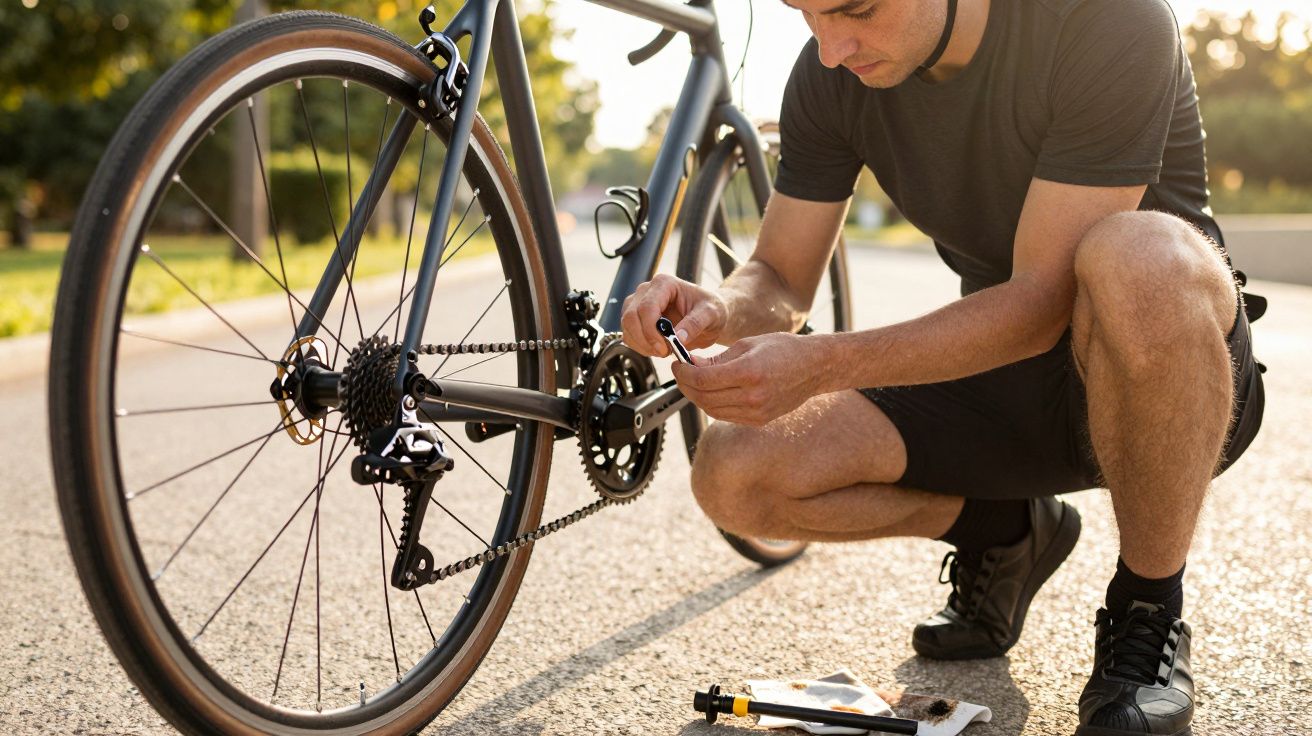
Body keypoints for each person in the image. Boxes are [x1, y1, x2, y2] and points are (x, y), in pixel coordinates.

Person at [619, 0, 1267, 733]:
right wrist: (719, 307)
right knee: (734, 472)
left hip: (1164, 371)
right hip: (1000, 377)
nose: (832, 47)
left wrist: (822, 363)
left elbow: (1040, 301)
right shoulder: (831, 76)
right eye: (806, 15)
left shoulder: (1108, 19)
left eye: (854, 9)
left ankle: (1148, 612)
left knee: (1137, 253)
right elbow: (780, 275)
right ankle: (1006, 529)